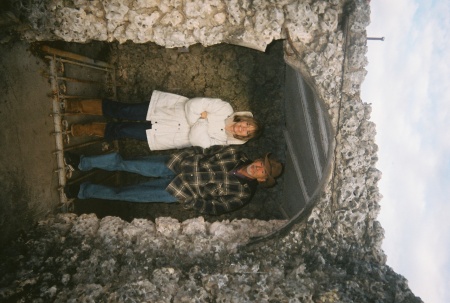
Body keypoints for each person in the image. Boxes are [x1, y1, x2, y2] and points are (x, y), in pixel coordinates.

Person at [63, 146, 283, 215]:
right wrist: (184, 155)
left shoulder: (243, 194)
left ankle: (82, 191)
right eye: (262, 163)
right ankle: (83, 162)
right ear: (257, 159)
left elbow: (214, 208)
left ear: (263, 180)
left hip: (176, 190)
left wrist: (188, 200)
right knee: (126, 162)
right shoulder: (236, 154)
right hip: (174, 165)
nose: (259, 168)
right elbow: (206, 149)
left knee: (125, 193)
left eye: (263, 172)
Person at [66, 90, 262, 150]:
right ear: (244, 118)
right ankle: (78, 106)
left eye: (246, 132)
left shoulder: (223, 142)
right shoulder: (225, 108)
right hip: (164, 111)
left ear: (243, 137)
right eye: (247, 124)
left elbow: (197, 140)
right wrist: (198, 123)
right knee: (123, 109)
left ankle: (86, 129)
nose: (243, 127)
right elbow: (192, 105)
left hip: (167, 136)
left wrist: (202, 120)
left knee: (122, 131)